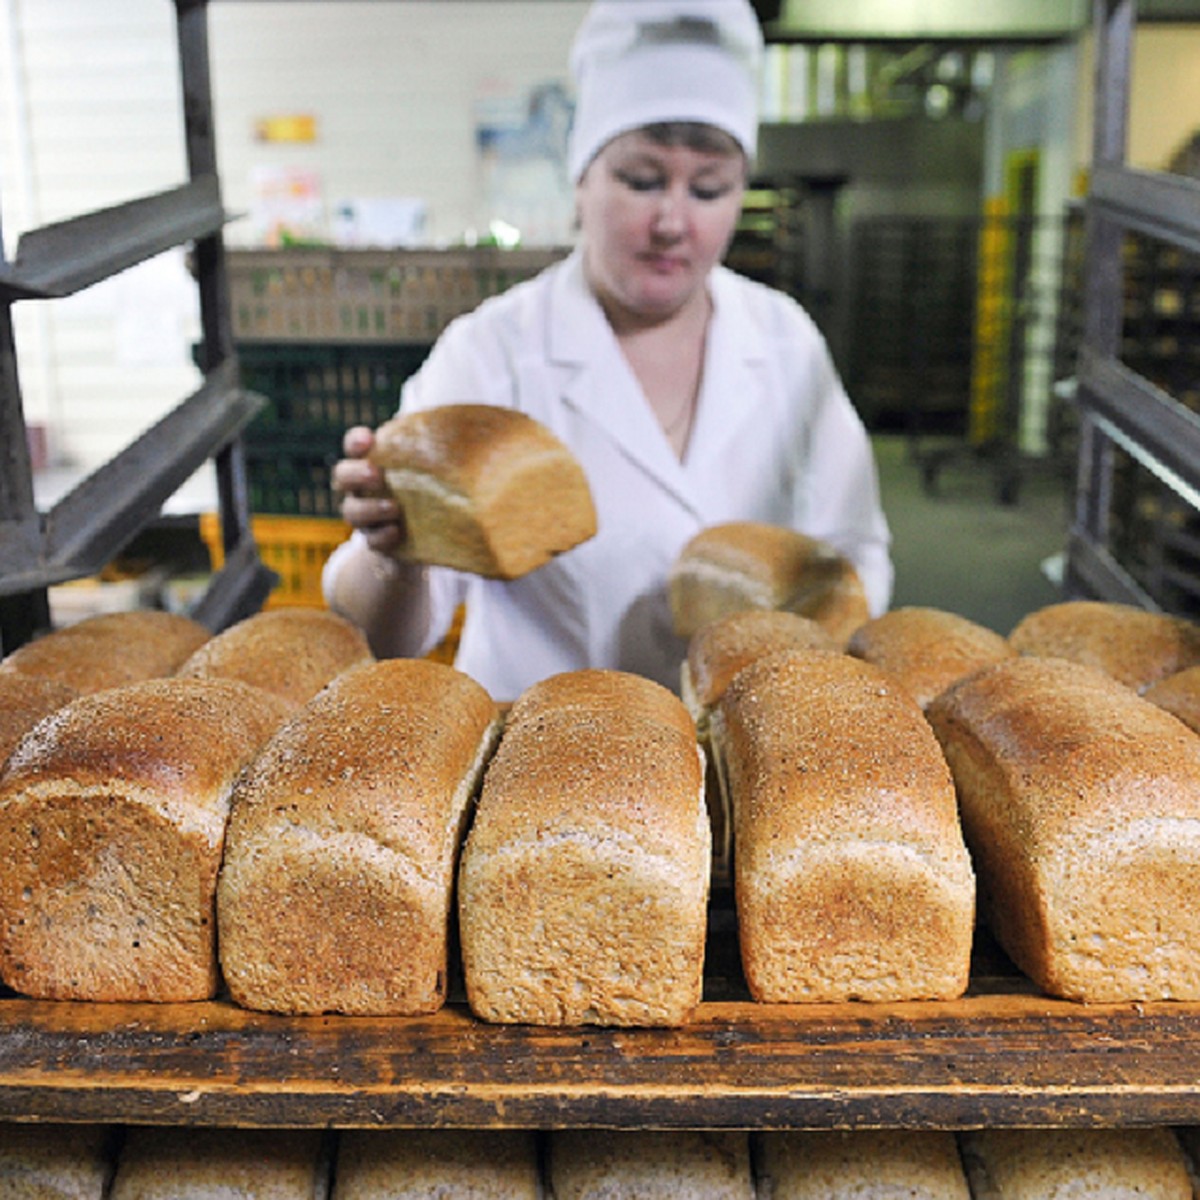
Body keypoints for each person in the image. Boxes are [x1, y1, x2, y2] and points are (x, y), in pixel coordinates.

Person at [324, 0, 893, 703]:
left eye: (709, 188)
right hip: (535, 758)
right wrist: (393, 558)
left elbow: (854, 554)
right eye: (642, 179)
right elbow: (387, 642)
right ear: (583, 177)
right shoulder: (492, 352)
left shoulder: (783, 341)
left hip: (728, 762)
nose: (672, 222)